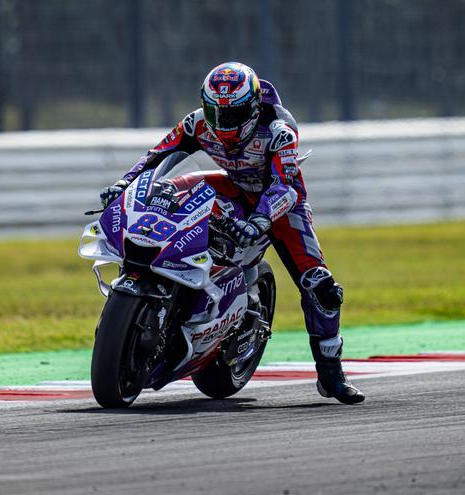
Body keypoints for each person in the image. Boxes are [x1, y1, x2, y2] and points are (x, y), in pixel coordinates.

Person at [100, 61, 364, 404]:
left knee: (322, 286)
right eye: (215, 112)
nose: (222, 124)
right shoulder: (197, 122)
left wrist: (258, 221)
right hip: (231, 187)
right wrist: (125, 183)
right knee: (167, 192)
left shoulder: (279, 131)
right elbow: (157, 156)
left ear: (253, 107)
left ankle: (331, 372)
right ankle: (157, 281)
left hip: (278, 203)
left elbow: (285, 186)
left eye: (233, 114)